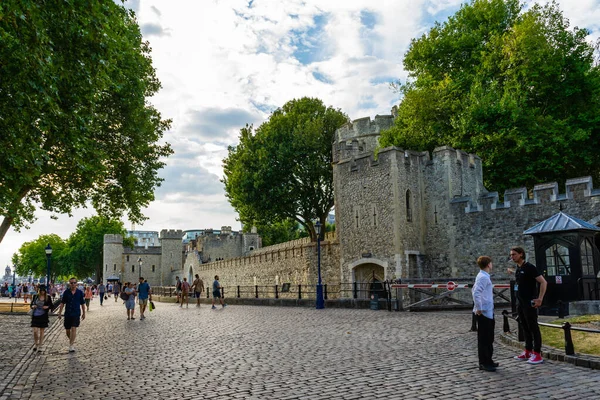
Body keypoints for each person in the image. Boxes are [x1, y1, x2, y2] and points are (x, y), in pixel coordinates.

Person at [509, 246, 547, 365]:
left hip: (529, 302)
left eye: (514, 254)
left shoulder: (530, 267)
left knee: (533, 327)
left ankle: (537, 353)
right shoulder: (518, 268)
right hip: (520, 303)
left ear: (521, 254)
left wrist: (540, 298)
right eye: (511, 255)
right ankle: (528, 350)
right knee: (524, 327)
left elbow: (543, 282)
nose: (512, 257)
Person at [472, 256, 497, 372]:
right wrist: (479, 307)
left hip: (488, 310)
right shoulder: (482, 277)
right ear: (488, 264)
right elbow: (476, 292)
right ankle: (484, 362)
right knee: (484, 338)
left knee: (489, 337)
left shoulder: (484, 276)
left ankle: (489, 359)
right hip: (484, 312)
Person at [57, 277, 86, 352]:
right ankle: (72, 341)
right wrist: (59, 313)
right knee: (67, 330)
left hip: (76, 313)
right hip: (68, 313)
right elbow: (62, 303)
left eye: (74, 283)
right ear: (69, 284)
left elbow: (82, 304)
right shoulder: (66, 292)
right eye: (71, 283)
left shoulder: (79, 293)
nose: (73, 284)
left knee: (74, 328)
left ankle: (71, 345)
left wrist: (84, 313)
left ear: (76, 284)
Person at [30, 286, 54, 352]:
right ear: (39, 291)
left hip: (43, 316)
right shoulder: (35, 296)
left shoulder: (48, 297)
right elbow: (31, 304)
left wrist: (47, 307)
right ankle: (36, 344)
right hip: (35, 315)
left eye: (43, 291)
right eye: (41, 291)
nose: (42, 292)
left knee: (41, 331)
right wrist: (33, 306)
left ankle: (40, 345)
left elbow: (51, 305)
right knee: (35, 331)